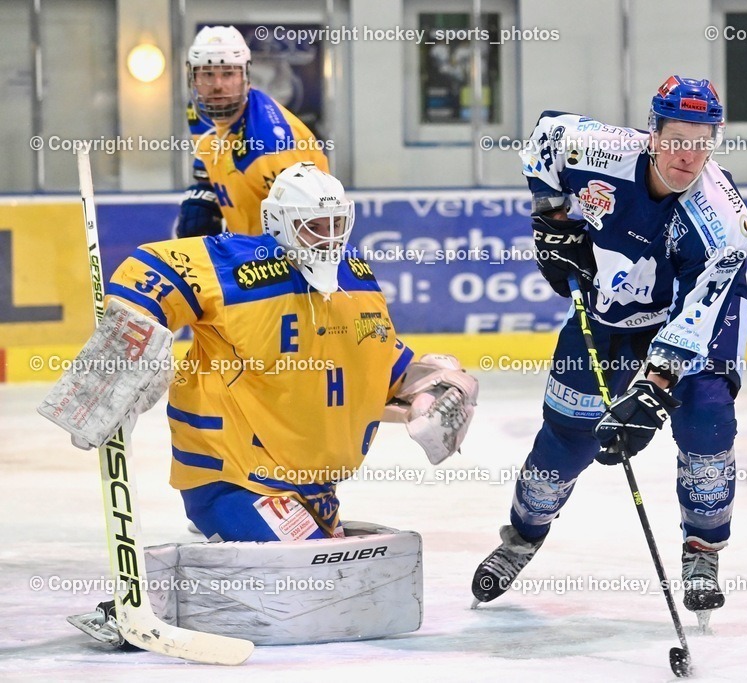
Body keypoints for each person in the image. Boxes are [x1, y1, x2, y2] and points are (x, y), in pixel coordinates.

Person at [43, 162, 478, 644]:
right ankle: (139, 599)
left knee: (334, 578)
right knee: (306, 579)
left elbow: (380, 364)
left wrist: (433, 387)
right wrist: (127, 348)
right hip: (234, 478)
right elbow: (149, 267)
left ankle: (196, 575)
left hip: (314, 488)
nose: (328, 238)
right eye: (315, 225)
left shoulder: (356, 277)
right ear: (279, 224)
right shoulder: (236, 266)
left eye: (338, 224)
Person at [471, 77, 747, 620]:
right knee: (567, 436)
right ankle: (523, 537)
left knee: (706, 418)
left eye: (701, 142)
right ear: (652, 133)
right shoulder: (599, 149)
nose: (687, 157)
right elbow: (546, 137)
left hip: (691, 315)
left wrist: (653, 389)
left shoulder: (722, 220)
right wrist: (553, 220)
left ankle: (703, 549)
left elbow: (697, 316)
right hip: (611, 306)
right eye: (676, 140)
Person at [177, 25, 330, 237]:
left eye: (228, 73)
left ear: (245, 77)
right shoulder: (199, 113)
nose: (217, 85)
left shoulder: (270, 142)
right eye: (208, 74)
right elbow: (209, 160)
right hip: (244, 241)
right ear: (193, 79)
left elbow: (308, 226)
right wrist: (204, 196)